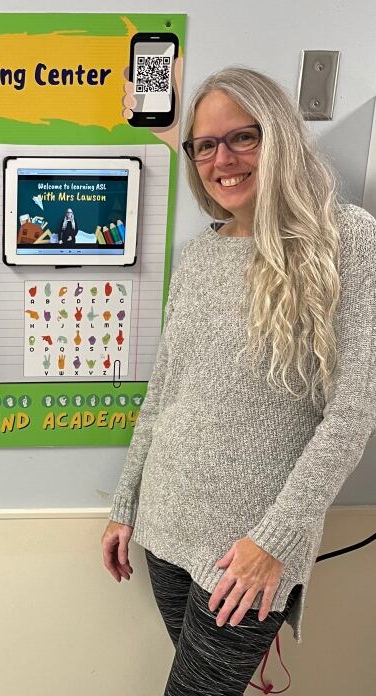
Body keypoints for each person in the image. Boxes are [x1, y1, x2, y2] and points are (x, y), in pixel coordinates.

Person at [102, 67, 376, 695]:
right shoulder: (200, 254)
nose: (220, 159)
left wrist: (273, 542)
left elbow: (352, 414)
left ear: (277, 134)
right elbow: (164, 393)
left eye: (241, 138)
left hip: (248, 550)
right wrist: (126, 505)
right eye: (204, 145)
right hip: (165, 526)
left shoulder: (348, 239)